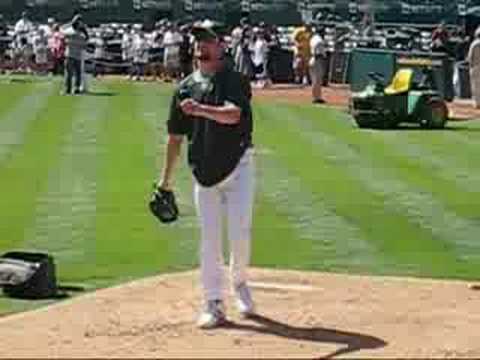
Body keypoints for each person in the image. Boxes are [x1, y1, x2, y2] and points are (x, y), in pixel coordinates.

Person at [157, 20, 256, 329]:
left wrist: (199, 110)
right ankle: (213, 301)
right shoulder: (184, 87)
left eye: (208, 40)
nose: (201, 45)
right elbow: (175, 137)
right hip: (203, 173)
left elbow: (234, 114)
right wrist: (165, 181)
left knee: (239, 234)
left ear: (221, 46)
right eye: (198, 40)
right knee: (209, 240)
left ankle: (239, 283)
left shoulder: (234, 80)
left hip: (239, 167)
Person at [62, 16, 87, 94]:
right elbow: (62, 30)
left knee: (74, 74)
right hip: (72, 55)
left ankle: (72, 89)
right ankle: (71, 89)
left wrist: (70, 22)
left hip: (74, 56)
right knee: (72, 74)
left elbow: (62, 29)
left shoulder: (74, 33)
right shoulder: (74, 33)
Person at [309, 27, 327, 104]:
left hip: (312, 59)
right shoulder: (319, 40)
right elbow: (319, 53)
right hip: (317, 60)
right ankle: (317, 98)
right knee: (317, 80)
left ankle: (316, 97)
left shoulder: (313, 38)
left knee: (315, 80)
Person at [468, 27, 480, 108]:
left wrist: (470, 65)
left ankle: (478, 103)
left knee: (476, 85)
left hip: (476, 66)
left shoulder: (474, 43)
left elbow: (470, 56)